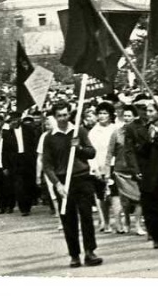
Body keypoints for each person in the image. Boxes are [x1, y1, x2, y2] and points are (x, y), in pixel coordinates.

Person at [42, 102, 102, 268]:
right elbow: (47, 165)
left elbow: (91, 153)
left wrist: (79, 148)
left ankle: (90, 252)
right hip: (63, 182)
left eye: (65, 115)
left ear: (69, 114)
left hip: (82, 179)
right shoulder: (49, 137)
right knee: (68, 220)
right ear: (54, 117)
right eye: (59, 116)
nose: (62, 118)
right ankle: (74, 255)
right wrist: (57, 184)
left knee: (86, 217)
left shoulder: (79, 131)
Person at [131, 98, 158, 248]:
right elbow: (138, 151)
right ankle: (156, 236)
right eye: (146, 111)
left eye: (151, 111)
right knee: (152, 205)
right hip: (151, 172)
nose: (147, 114)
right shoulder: (143, 130)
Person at [107, 105, 145, 236]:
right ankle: (127, 222)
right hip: (121, 170)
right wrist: (107, 171)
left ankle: (138, 224)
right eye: (125, 116)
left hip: (136, 170)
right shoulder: (116, 133)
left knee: (139, 198)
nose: (127, 118)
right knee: (125, 201)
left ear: (135, 117)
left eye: (130, 116)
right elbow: (110, 153)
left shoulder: (139, 131)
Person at [0, 113, 40, 216]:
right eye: (11, 120)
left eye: (15, 120)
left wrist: (35, 158)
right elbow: (4, 151)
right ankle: (23, 208)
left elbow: (34, 144)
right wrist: (5, 166)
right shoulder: (7, 134)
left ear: (19, 119)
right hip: (15, 162)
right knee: (18, 185)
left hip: (28, 159)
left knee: (28, 183)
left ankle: (28, 204)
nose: (13, 122)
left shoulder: (28, 129)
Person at [87, 102, 119, 233]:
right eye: (100, 113)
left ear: (110, 115)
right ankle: (105, 222)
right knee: (102, 196)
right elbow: (90, 153)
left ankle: (118, 222)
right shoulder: (93, 132)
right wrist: (95, 168)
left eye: (105, 113)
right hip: (99, 166)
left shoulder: (116, 129)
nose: (102, 116)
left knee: (115, 195)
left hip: (113, 165)